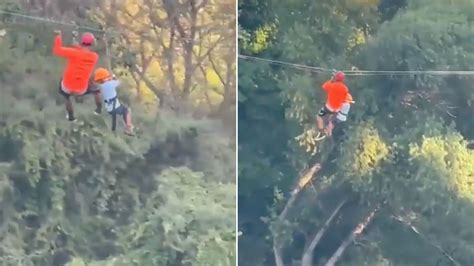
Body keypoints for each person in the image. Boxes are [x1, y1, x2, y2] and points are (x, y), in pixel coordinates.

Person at [53, 30, 101, 122]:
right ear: (92, 44)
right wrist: (77, 46)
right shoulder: (94, 57)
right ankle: (98, 109)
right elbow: (82, 52)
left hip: (67, 86)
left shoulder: (74, 53)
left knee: (65, 95)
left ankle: (71, 117)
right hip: (81, 89)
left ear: (81, 42)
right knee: (96, 89)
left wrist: (58, 36)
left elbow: (57, 50)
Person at [93, 68, 135, 136]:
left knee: (115, 115)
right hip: (115, 106)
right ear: (104, 78)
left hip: (109, 108)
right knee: (126, 110)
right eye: (106, 77)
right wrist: (113, 77)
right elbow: (119, 82)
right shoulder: (111, 83)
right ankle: (128, 128)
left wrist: (109, 79)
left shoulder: (101, 86)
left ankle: (113, 131)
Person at [316, 71, 350, 135]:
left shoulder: (332, 85)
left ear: (336, 78)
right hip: (337, 109)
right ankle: (329, 130)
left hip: (329, 107)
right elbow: (345, 98)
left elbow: (324, 86)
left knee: (319, 116)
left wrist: (331, 80)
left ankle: (321, 130)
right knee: (330, 120)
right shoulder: (345, 89)